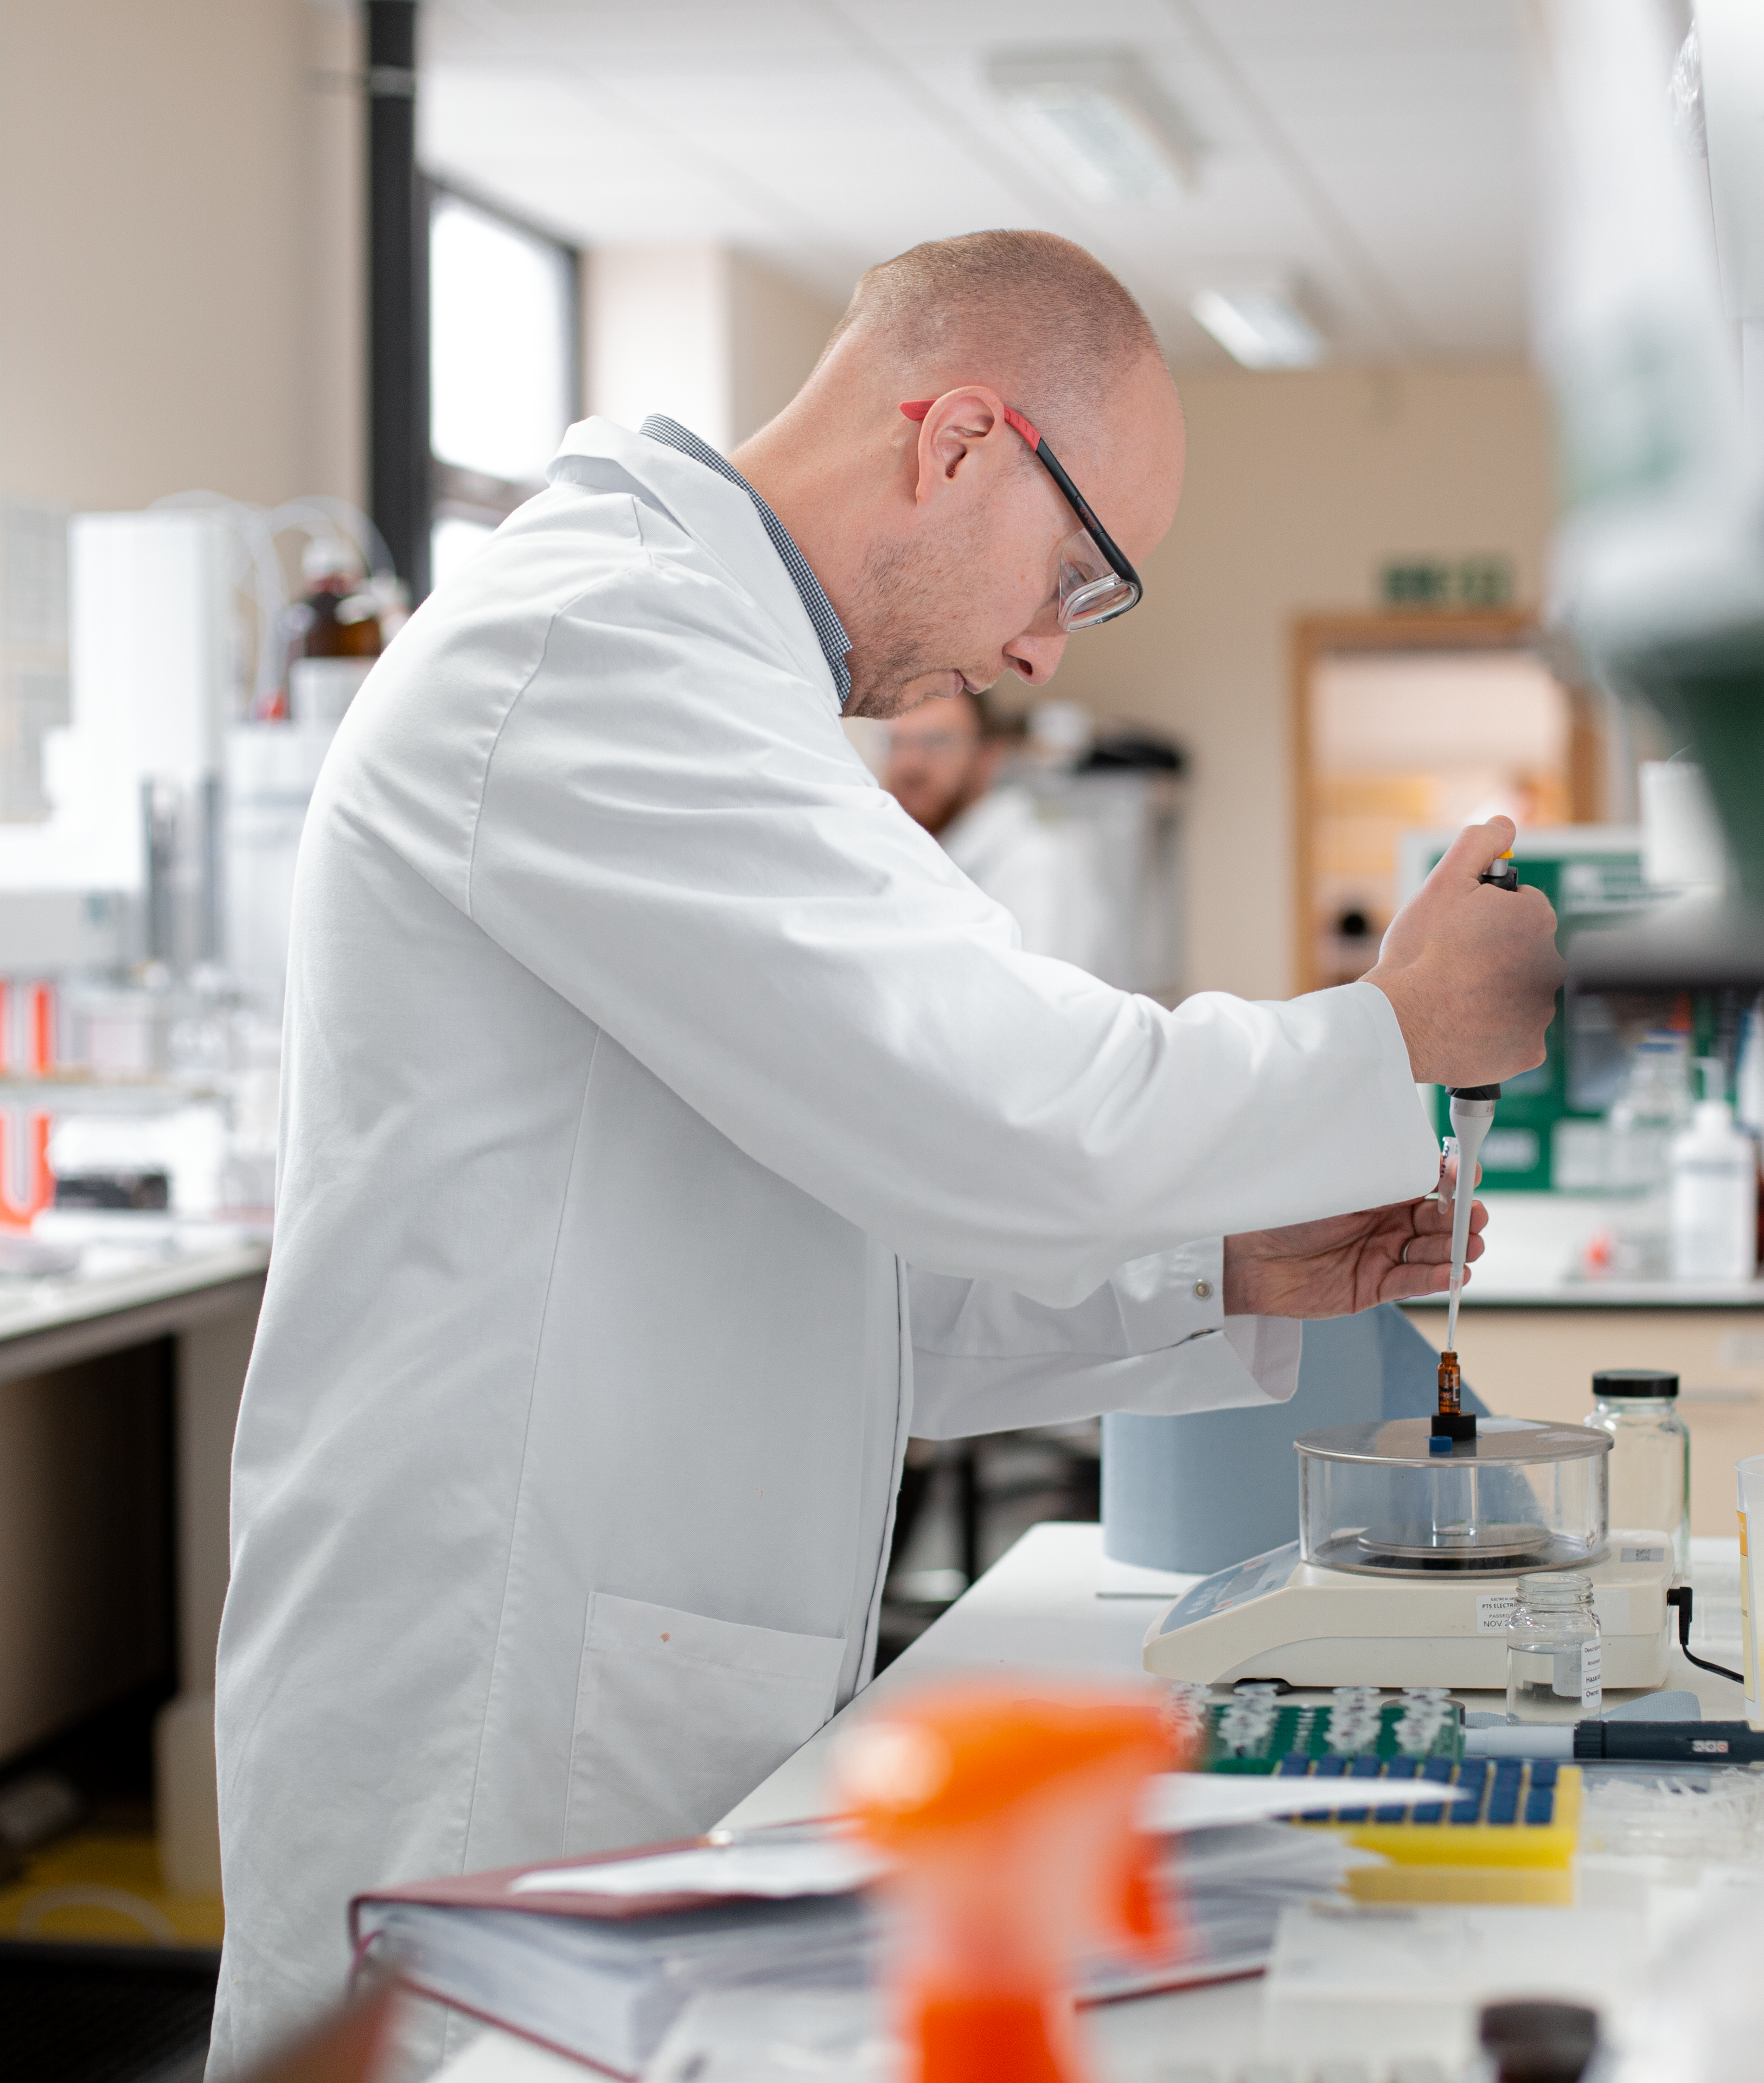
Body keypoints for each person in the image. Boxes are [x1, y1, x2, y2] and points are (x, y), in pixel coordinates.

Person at [206, 229, 1562, 2072]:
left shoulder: (718, 682)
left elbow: (824, 1263)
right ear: (960, 444)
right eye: (1078, 580)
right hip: (497, 1700)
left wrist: (1217, 1269)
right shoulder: (591, 645)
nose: (1031, 650)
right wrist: (1386, 1038)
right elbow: (1004, 1098)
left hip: (643, 1670)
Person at [878, 689, 1108, 970]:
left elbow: (1032, 1003)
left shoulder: (1033, 862)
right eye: (898, 744)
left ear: (989, 756)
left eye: (936, 743)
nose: (911, 764)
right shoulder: (905, 856)